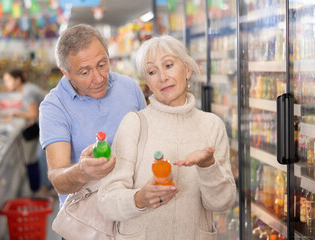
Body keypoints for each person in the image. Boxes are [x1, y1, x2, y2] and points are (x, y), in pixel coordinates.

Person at [97, 35, 236, 240]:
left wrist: (208, 166)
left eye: (169, 65)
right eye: (152, 72)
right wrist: (139, 198)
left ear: (187, 69)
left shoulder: (211, 125)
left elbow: (222, 203)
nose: (162, 77)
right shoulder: (134, 124)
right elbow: (106, 202)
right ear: (148, 83)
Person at [38, 24, 147, 210]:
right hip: (88, 223)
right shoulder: (54, 107)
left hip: (132, 210)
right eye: (85, 72)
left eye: (102, 65)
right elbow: (58, 179)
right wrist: (82, 171)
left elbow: (148, 142)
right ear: (66, 72)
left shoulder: (130, 87)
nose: (98, 78)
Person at [3, 68, 52, 196]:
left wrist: (17, 113)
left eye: (8, 80)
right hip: (47, 123)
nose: (6, 84)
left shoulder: (27, 92)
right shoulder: (27, 89)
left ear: (18, 80)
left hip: (50, 123)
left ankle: (44, 189)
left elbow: (34, 114)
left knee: (42, 157)